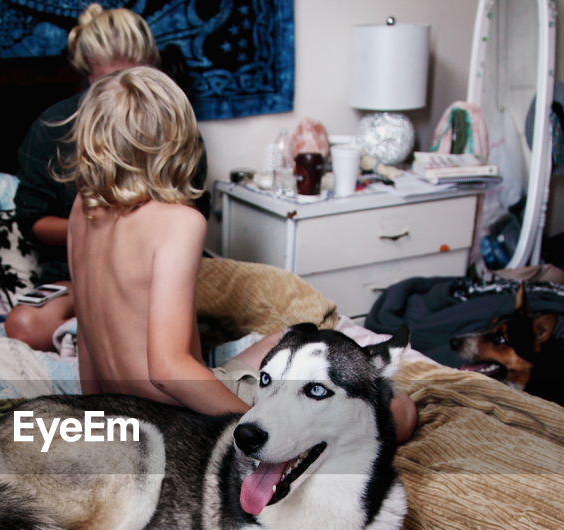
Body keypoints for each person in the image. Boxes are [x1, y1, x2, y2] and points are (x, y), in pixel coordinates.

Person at [63, 66, 419, 440]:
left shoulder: (81, 208)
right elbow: (167, 370)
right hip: (175, 418)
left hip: (118, 409)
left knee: (292, 337)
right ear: (175, 138)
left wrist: (96, 420)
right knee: (400, 410)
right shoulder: (178, 222)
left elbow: (87, 343)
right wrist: (257, 422)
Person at [7, 3, 208, 352]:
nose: (124, 91)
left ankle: (101, 334)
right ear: (87, 74)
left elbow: (190, 208)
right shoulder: (53, 126)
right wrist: (107, 229)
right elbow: (32, 221)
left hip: (150, 275)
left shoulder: (176, 128)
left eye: (136, 78)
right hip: (79, 279)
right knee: (24, 325)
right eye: (109, 81)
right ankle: (89, 331)